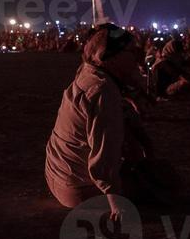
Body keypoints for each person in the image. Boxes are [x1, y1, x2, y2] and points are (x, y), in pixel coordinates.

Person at [44, 24, 154, 210]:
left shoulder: (88, 72)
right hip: (79, 190)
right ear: (113, 56)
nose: (136, 57)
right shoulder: (103, 92)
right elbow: (104, 157)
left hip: (58, 176)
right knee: (161, 183)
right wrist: (116, 203)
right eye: (130, 51)